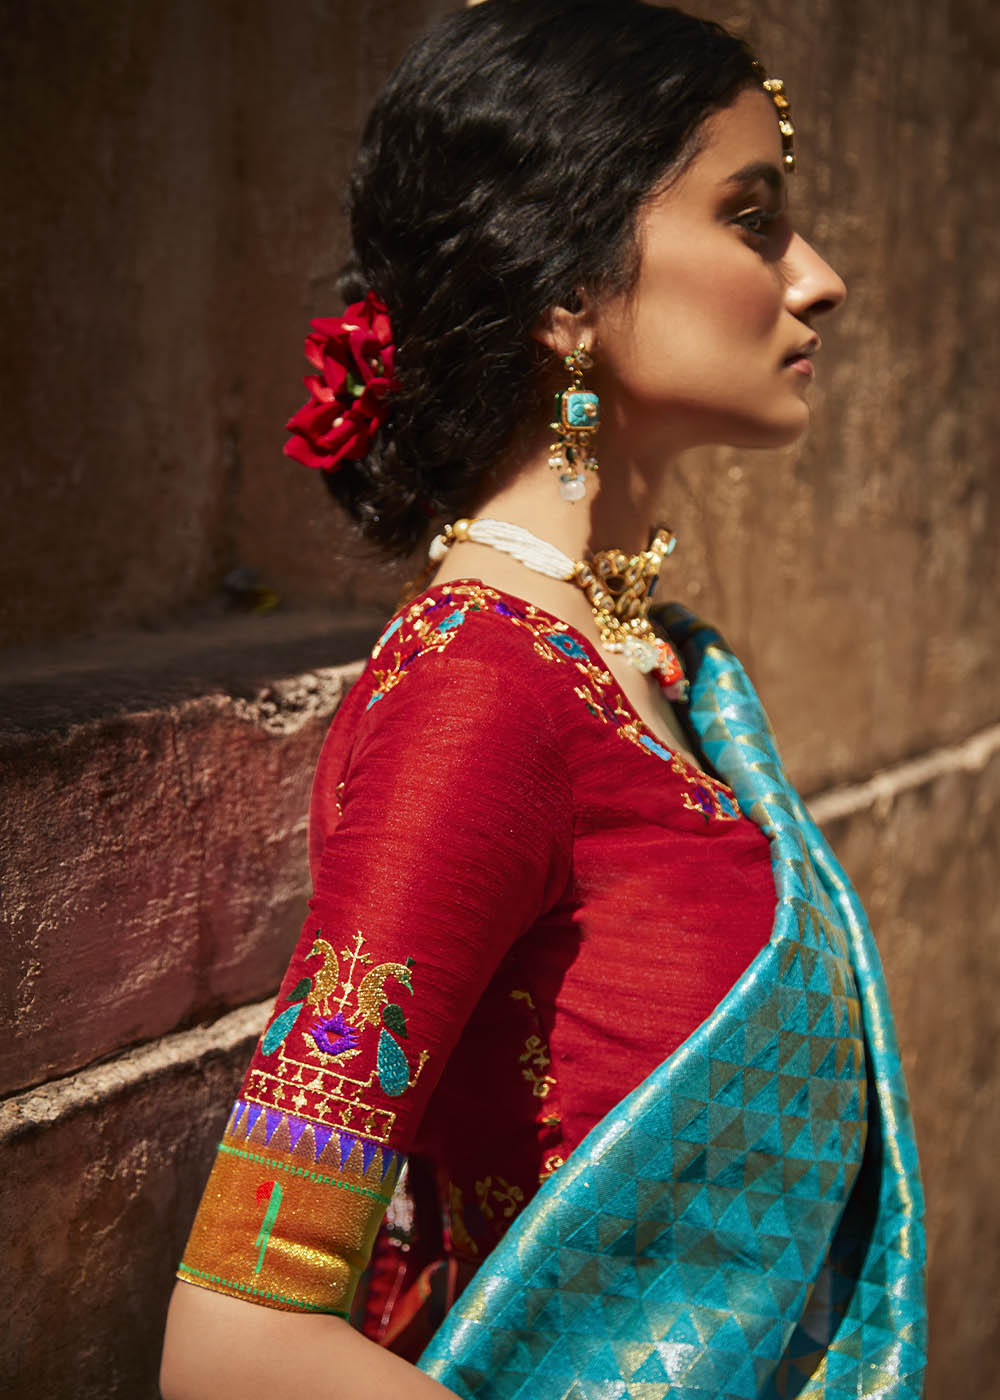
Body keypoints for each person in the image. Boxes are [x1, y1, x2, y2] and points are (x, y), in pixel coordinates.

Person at [160, 3, 927, 1397]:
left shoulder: (666, 668)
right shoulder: (480, 697)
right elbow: (236, 1345)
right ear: (566, 294)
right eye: (752, 219)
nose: (818, 279)